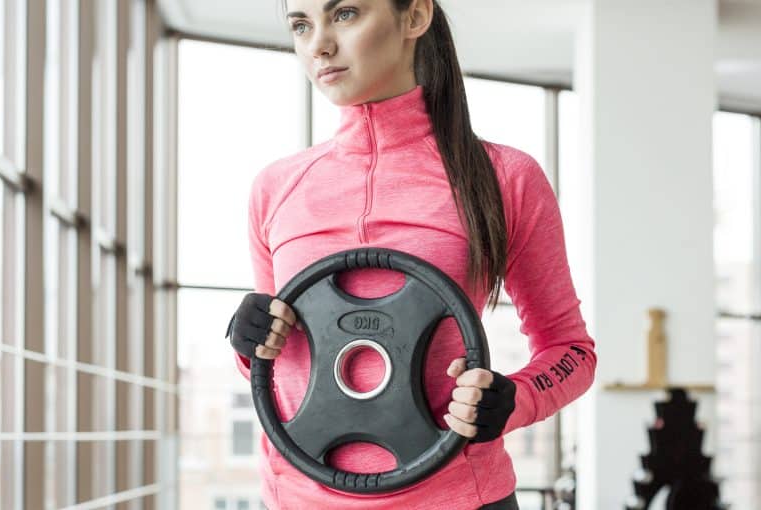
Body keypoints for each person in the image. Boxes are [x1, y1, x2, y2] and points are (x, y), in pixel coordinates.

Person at [224, 0, 598, 508]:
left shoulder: (504, 177)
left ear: (415, 17)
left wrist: (512, 401)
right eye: (301, 25)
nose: (319, 44)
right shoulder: (275, 188)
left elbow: (570, 350)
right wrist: (247, 344)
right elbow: (275, 361)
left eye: (346, 14)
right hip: (297, 498)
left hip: (461, 498)